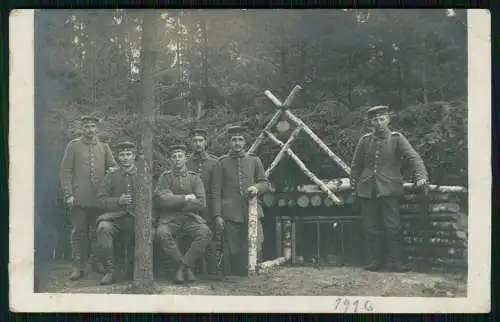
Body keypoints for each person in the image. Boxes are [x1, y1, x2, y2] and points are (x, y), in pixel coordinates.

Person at [350, 105, 428, 272]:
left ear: (388, 119)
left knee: (393, 227)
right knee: (370, 227)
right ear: (370, 122)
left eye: (382, 119)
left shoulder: (397, 138)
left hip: (389, 188)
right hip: (367, 189)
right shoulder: (364, 140)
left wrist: (421, 177)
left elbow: (414, 158)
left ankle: (397, 262)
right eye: (375, 120)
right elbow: (356, 166)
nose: (379, 123)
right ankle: (375, 261)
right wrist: (353, 186)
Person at [59, 115, 118, 280]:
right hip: (79, 199)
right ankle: (78, 266)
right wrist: (69, 194)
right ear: (82, 128)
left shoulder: (104, 147)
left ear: (97, 128)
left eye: (93, 126)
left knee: (97, 232)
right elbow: (65, 172)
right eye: (87, 127)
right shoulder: (73, 146)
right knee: (78, 232)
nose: (90, 130)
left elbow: (113, 166)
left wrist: (112, 171)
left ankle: (95, 262)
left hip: (99, 199)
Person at [211, 126, 270, 276]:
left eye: (240, 140)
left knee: (256, 244)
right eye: (234, 140)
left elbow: (265, 183)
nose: (237, 143)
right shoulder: (221, 163)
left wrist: (256, 188)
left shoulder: (254, 161)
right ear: (229, 143)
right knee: (234, 249)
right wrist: (217, 215)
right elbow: (216, 192)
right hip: (230, 214)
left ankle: (255, 275)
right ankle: (237, 280)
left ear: (245, 142)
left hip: (252, 211)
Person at [154, 144, 213, 284]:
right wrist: (185, 198)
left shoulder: (194, 178)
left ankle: (182, 267)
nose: (177, 159)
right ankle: (187, 269)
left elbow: (201, 203)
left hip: (190, 218)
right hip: (169, 219)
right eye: (174, 157)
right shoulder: (165, 177)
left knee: (205, 232)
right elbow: (161, 200)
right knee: (162, 233)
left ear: (185, 158)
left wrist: (173, 199)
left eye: (180, 156)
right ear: (170, 160)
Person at [95, 141, 137, 285]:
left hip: (136, 219)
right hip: (115, 219)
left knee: (150, 232)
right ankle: (110, 270)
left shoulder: (143, 175)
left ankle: (135, 268)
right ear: (118, 157)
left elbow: (153, 200)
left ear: (134, 156)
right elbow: (100, 200)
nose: (125, 158)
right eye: (122, 155)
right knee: (103, 228)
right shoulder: (111, 176)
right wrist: (117, 201)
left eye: (128, 154)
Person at [186, 128, 219, 275]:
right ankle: (192, 270)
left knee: (210, 239)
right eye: (195, 141)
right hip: (191, 208)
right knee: (191, 238)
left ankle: (211, 272)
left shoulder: (214, 162)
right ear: (191, 143)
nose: (198, 144)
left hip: (209, 208)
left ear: (205, 142)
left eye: (200, 140)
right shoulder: (186, 162)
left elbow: (218, 189)